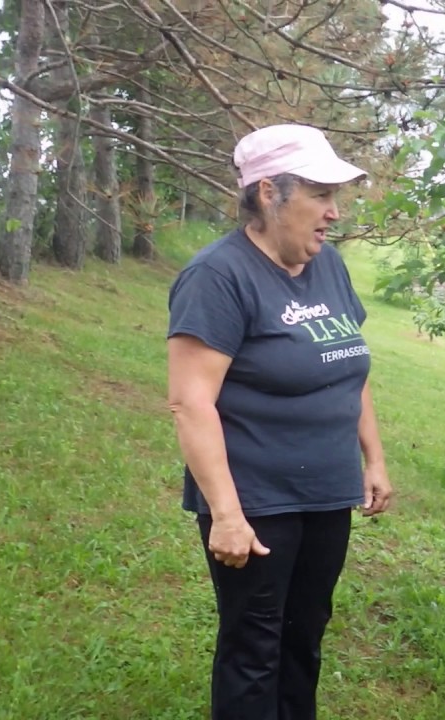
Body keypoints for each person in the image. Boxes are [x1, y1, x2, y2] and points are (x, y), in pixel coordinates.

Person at [166, 124, 393, 720]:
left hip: (325, 489)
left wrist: (373, 458)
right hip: (257, 497)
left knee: (305, 633)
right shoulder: (218, 276)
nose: (333, 213)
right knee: (254, 644)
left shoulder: (329, 266)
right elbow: (192, 403)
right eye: (320, 195)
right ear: (270, 192)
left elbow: (350, 363)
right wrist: (227, 515)